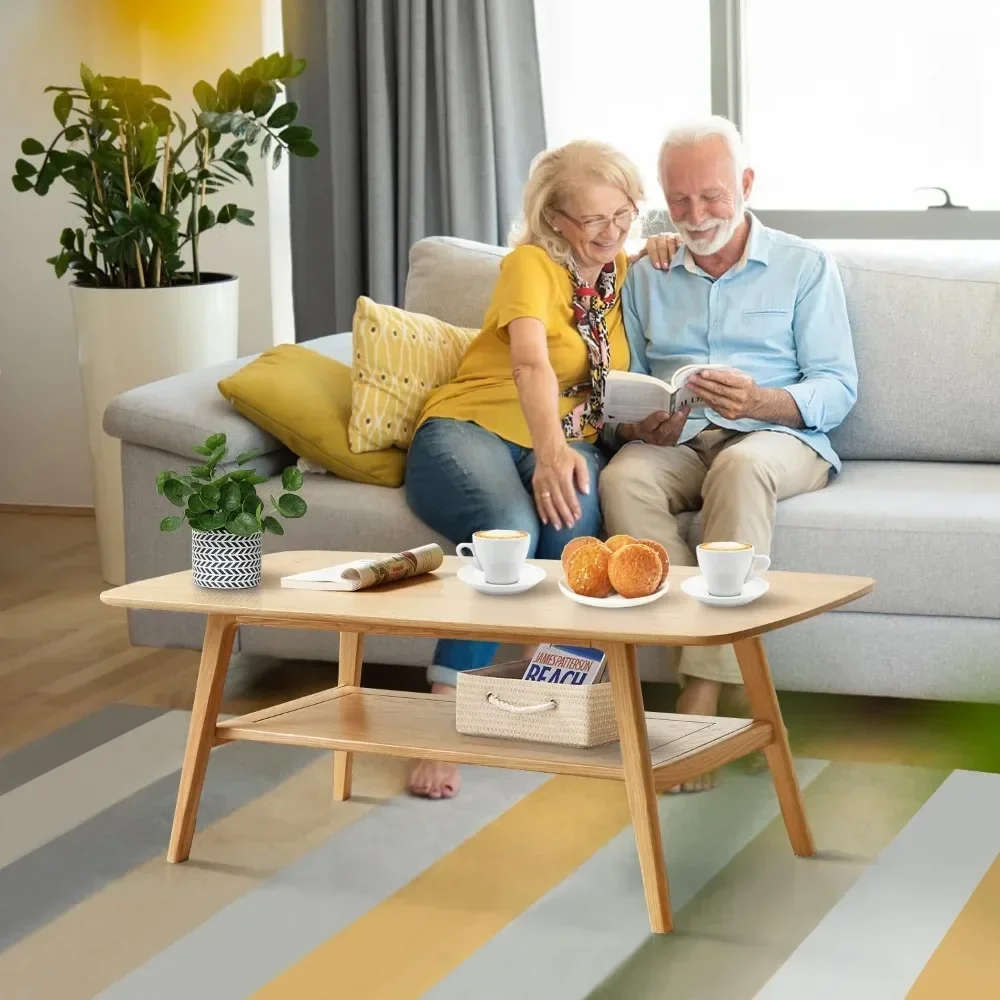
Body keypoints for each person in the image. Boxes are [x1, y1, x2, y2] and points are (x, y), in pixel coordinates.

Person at [600, 116, 858, 791]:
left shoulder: (804, 265)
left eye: (712, 197)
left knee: (741, 469)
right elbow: (619, 381)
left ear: (746, 183)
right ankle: (732, 680)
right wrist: (637, 425)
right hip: (681, 439)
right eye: (679, 200)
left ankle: (701, 695)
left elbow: (838, 386)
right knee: (623, 480)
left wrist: (762, 402)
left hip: (780, 438)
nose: (695, 215)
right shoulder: (646, 270)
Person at [405, 140, 645, 799]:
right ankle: (440, 721)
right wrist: (550, 453)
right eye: (593, 221)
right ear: (554, 219)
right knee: (509, 525)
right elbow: (531, 363)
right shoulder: (530, 264)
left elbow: (611, 379)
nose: (611, 232)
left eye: (623, 213)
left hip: (568, 441)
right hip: (470, 427)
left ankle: (545, 705)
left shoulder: (623, 272)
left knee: (579, 543)